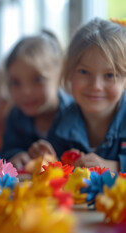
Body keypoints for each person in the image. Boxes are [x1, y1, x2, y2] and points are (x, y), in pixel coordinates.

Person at [36, 18, 126, 172]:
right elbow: (54, 170)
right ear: (69, 72)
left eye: (110, 75)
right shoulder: (62, 120)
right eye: (84, 72)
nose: (96, 86)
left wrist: (113, 166)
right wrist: (45, 157)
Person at [0, 30, 73, 170]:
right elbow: (8, 150)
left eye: (38, 79)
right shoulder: (15, 115)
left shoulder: (75, 115)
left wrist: (56, 161)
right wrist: (17, 156)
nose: (26, 92)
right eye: (16, 82)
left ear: (61, 74)